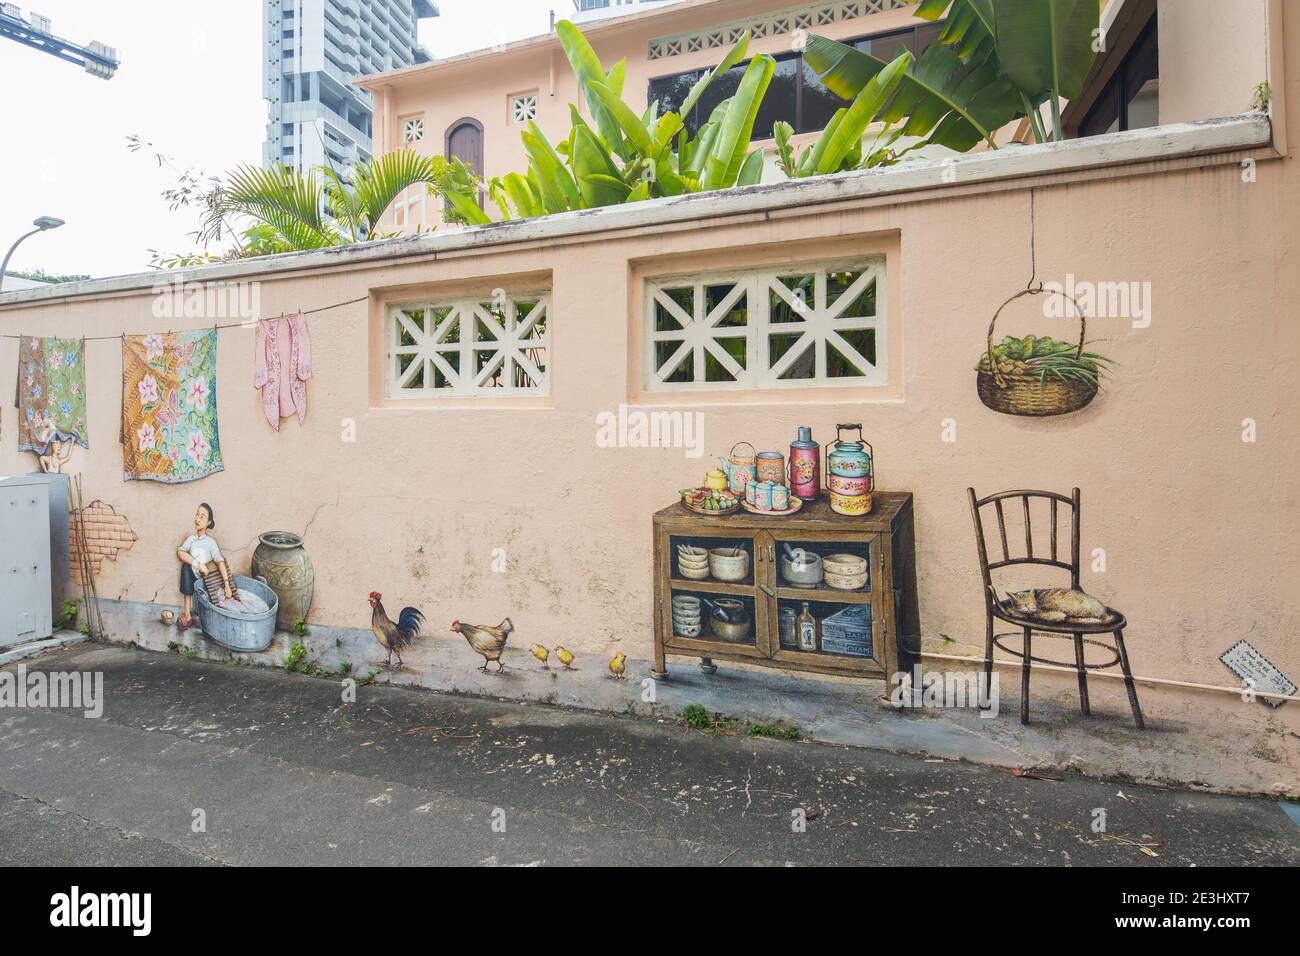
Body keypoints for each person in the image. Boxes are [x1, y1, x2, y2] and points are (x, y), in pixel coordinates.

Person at [177, 502, 235, 629]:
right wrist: (198, 565)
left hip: (207, 580)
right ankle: (187, 615)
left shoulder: (210, 543)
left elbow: (220, 563)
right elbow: (180, 552)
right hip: (193, 577)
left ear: (208, 523)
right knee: (186, 568)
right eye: (197, 514)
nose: (197, 518)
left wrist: (227, 585)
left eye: (202, 516)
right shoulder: (191, 539)